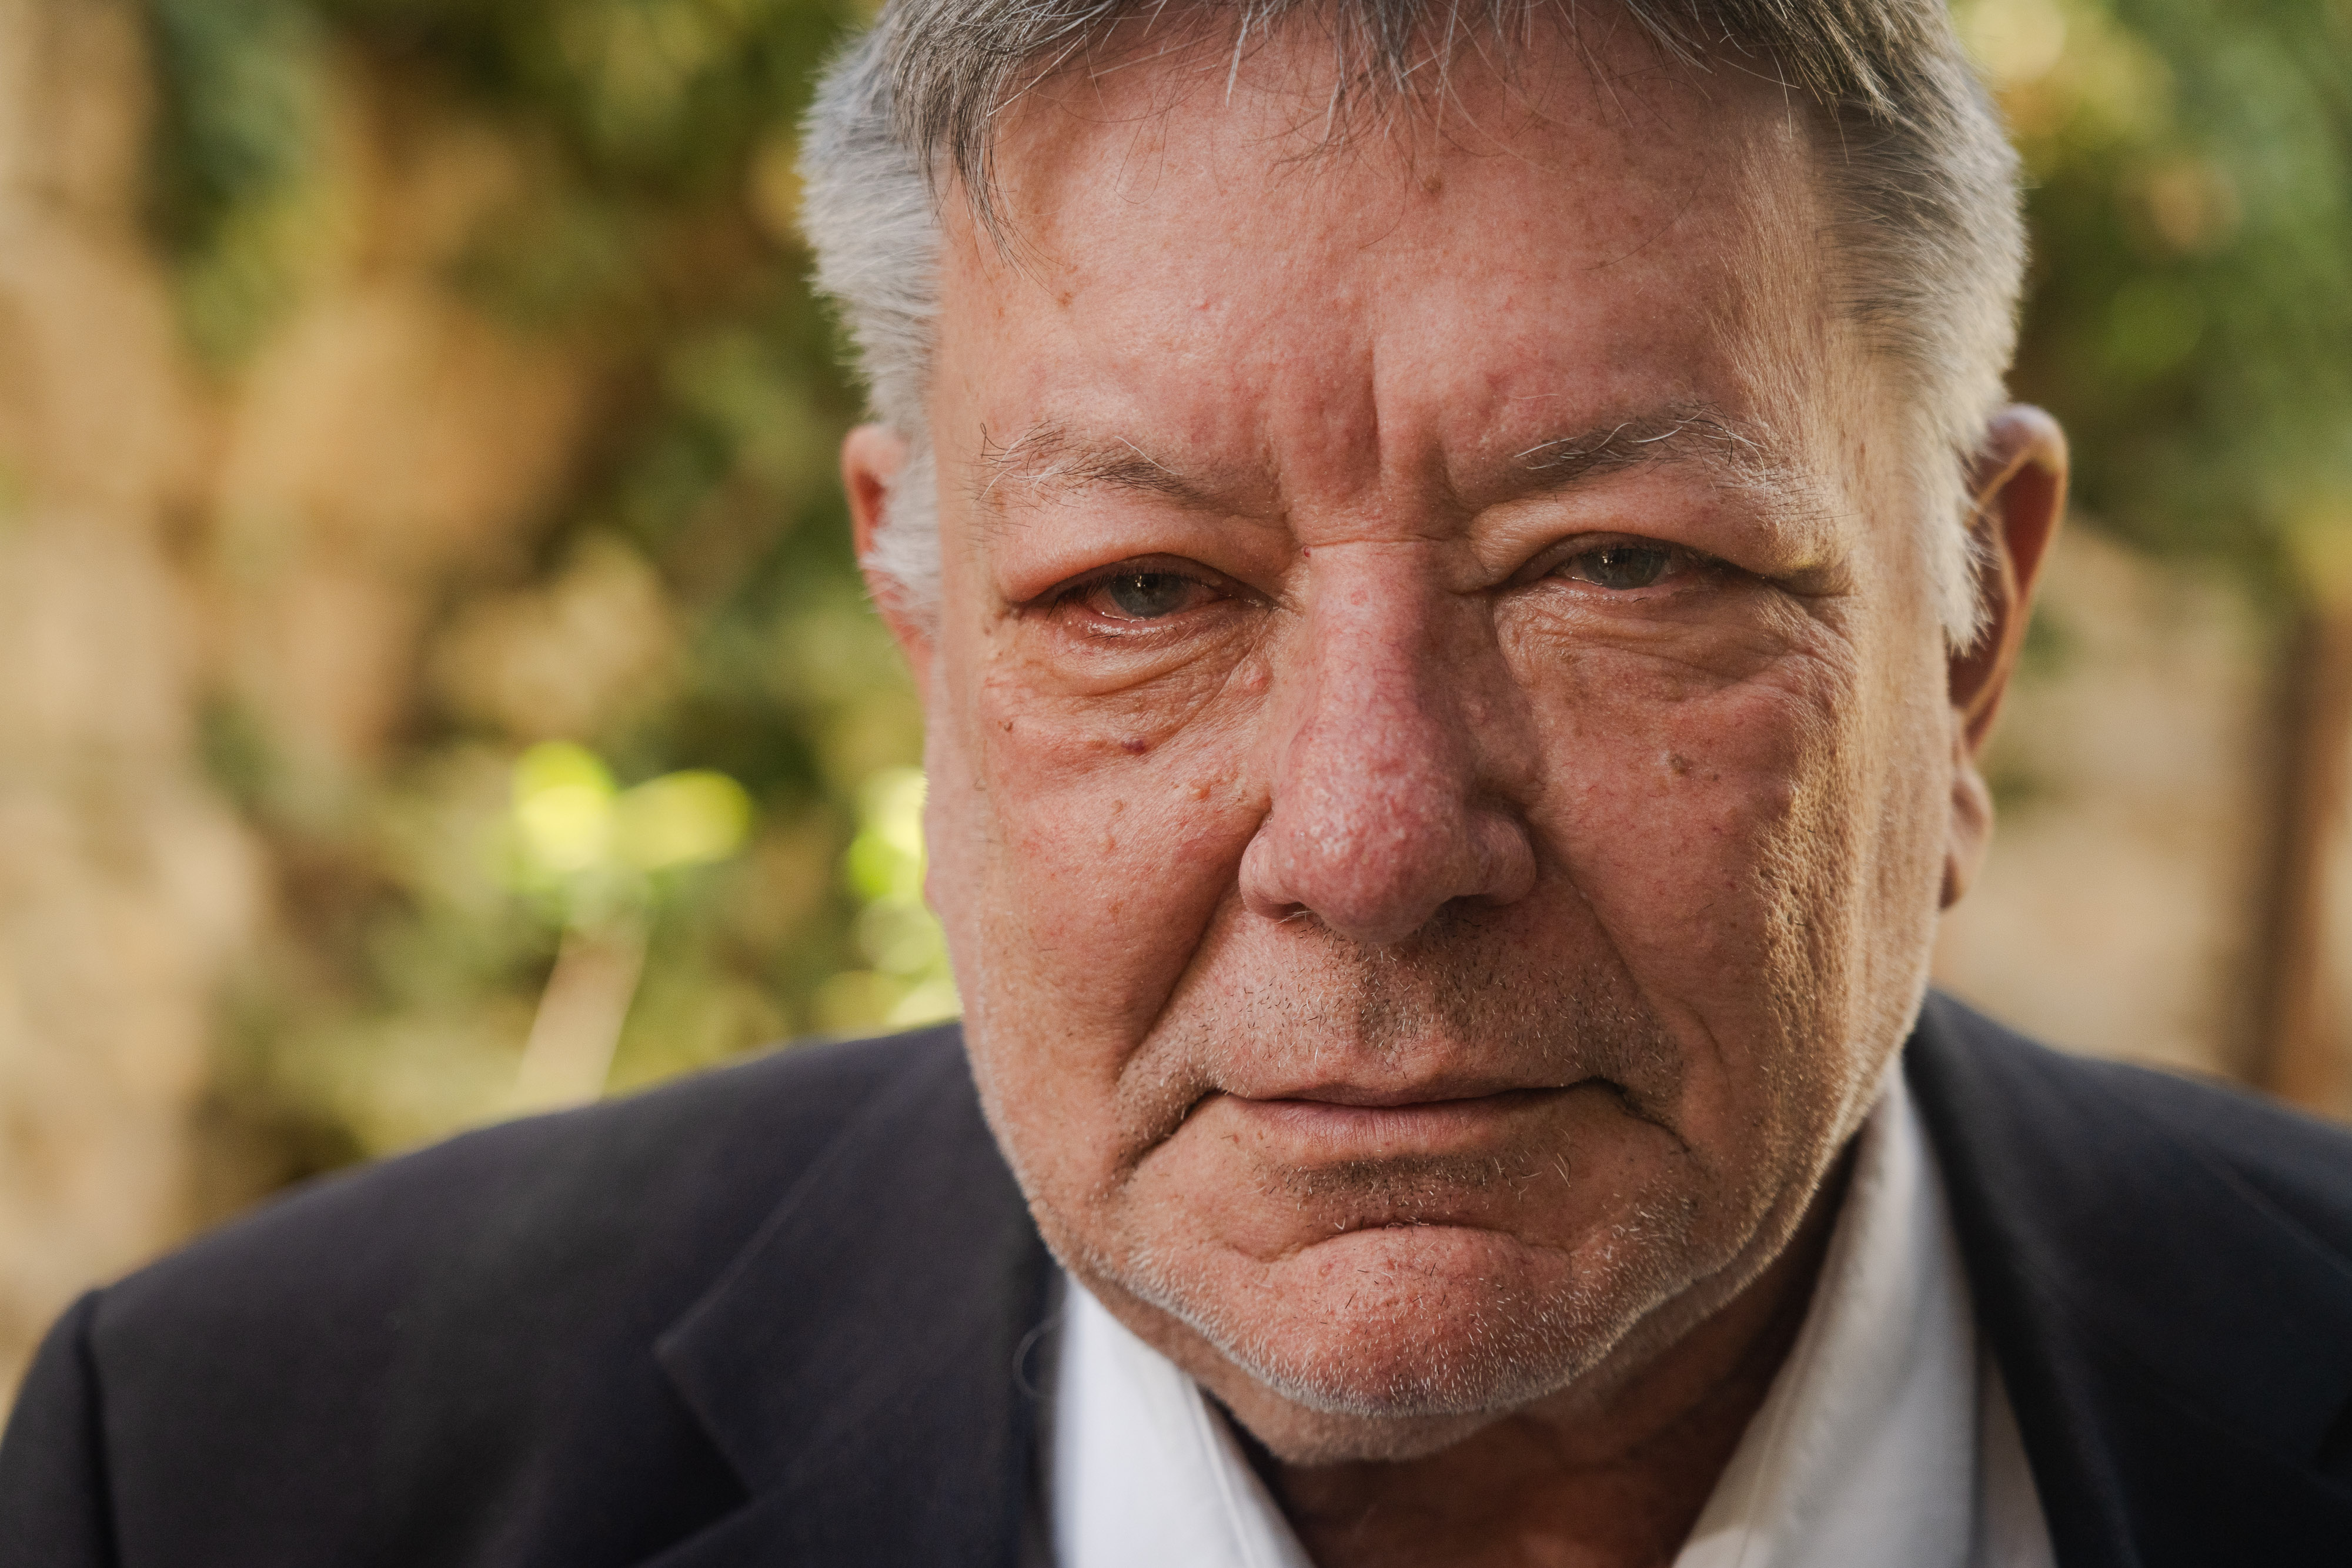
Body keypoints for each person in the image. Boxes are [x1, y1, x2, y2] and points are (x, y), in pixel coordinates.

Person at [5, 2, 2350, 1564]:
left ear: (1965, 636)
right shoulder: (241, 1478)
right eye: (1141, 592)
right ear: (922, 632)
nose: (1365, 839)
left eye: (1611, 562)